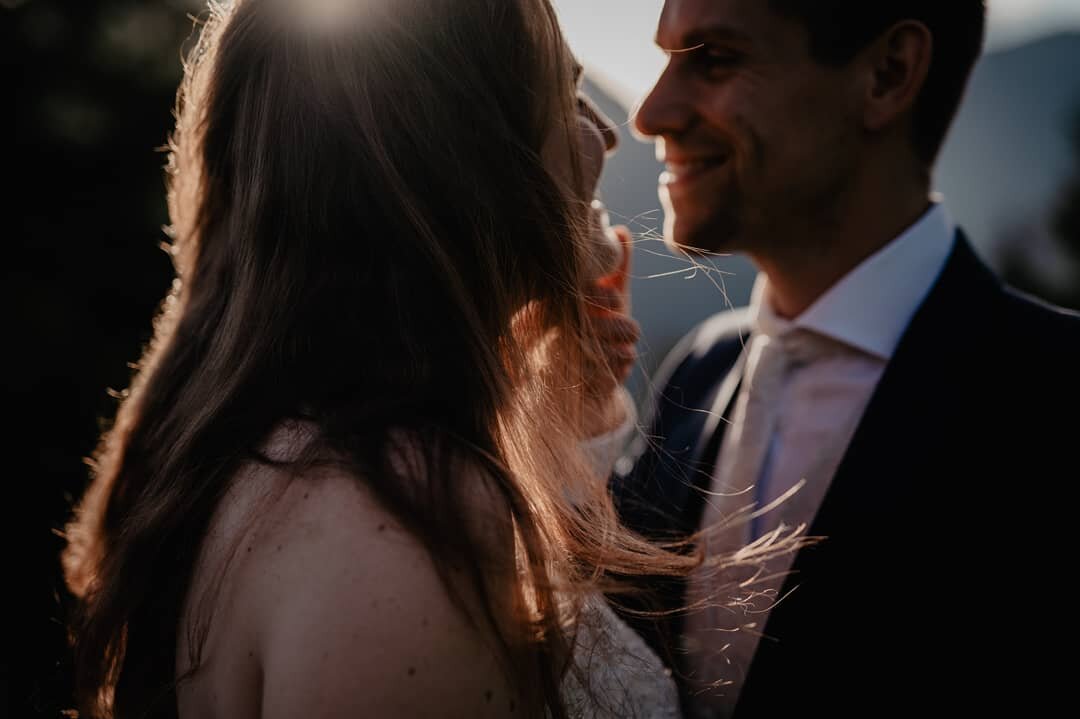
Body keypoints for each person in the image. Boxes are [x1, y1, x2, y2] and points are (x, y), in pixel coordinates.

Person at [58, 1, 718, 717]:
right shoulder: (405, 515)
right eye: (565, 94)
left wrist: (568, 413)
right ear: (469, 159)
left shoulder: (274, 444)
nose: (607, 133)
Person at [612, 1, 1080, 716]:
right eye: (666, 59)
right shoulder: (699, 370)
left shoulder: (1055, 398)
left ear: (887, 76)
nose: (650, 113)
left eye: (714, 58)